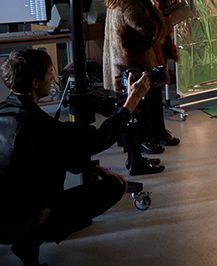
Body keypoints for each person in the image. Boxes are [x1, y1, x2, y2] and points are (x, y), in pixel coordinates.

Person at [0, 49, 150, 266]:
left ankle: (27, 239)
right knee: (114, 186)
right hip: (21, 220)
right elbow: (100, 138)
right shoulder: (40, 126)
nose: (53, 78)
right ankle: (31, 238)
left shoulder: (5, 112)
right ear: (35, 83)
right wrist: (132, 101)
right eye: (50, 73)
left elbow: (52, 154)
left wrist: (89, 167)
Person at [103, 0, 168, 171]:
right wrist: (154, 7)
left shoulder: (115, 0)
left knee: (131, 116)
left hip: (121, 67)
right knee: (134, 117)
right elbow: (152, 31)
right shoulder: (131, 4)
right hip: (132, 68)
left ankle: (136, 159)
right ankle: (136, 162)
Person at [126, 0, 180, 147]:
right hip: (145, 45)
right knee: (148, 90)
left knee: (155, 88)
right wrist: (160, 15)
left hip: (157, 41)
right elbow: (144, 19)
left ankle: (157, 131)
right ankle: (150, 134)